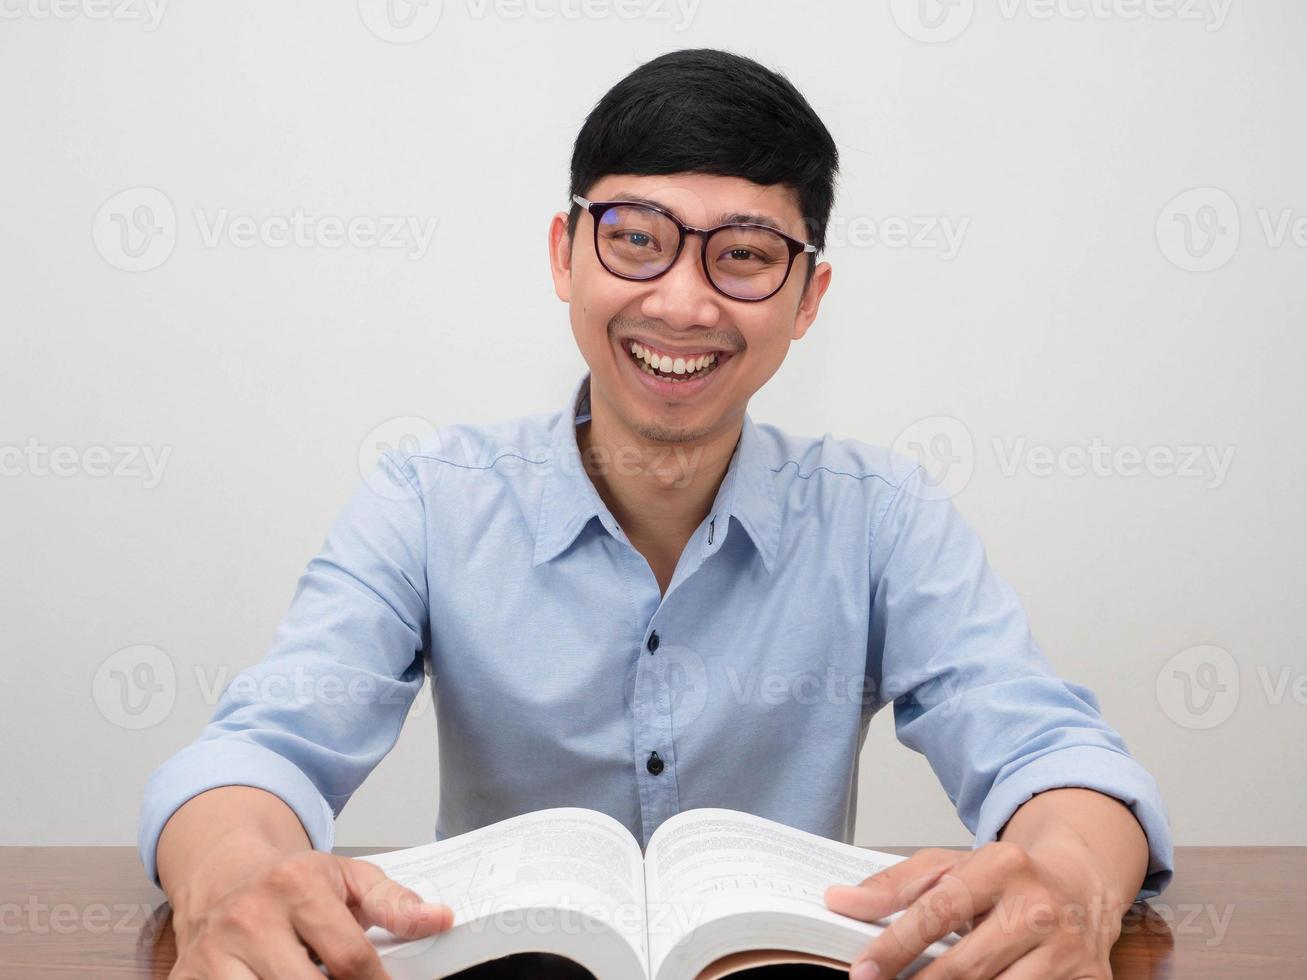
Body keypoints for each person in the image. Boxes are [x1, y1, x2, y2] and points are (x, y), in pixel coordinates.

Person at [141, 48, 1173, 980]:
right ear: (564, 253)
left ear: (806, 297)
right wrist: (231, 876)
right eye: (635, 238)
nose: (680, 303)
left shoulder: (882, 516)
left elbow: (1050, 756)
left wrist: (1067, 881)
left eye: (744, 255)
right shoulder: (427, 496)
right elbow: (261, 751)